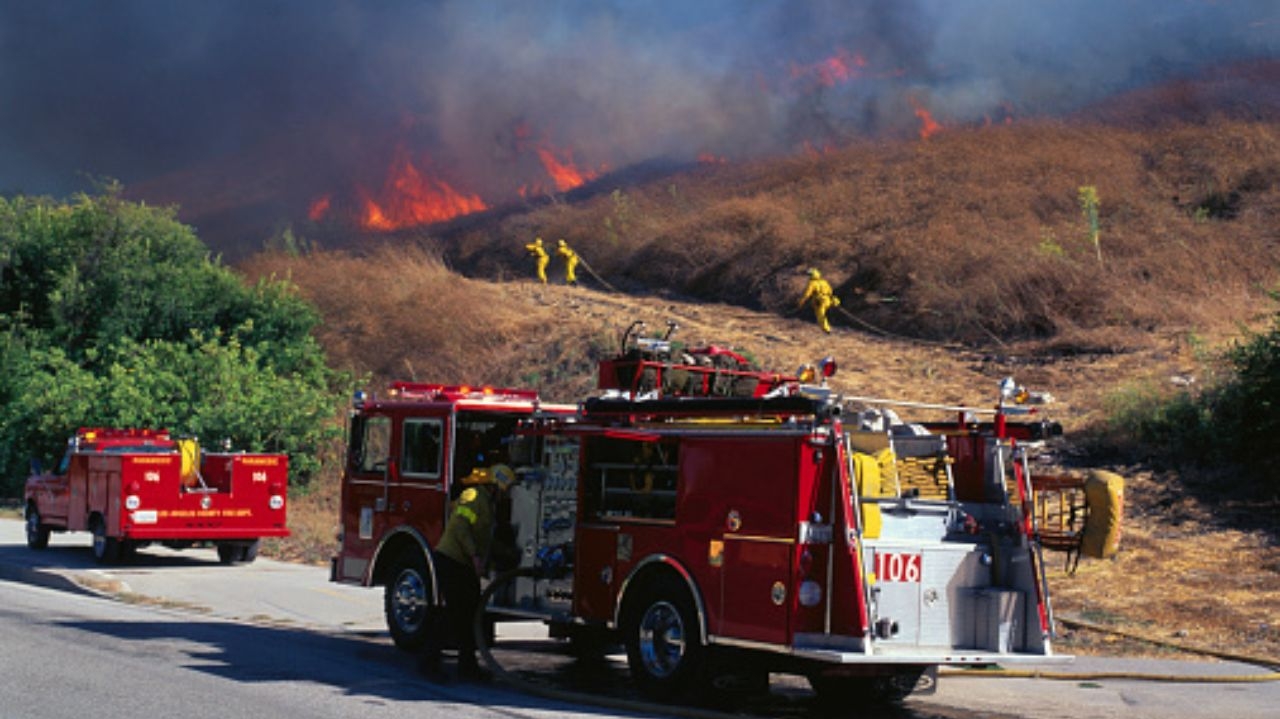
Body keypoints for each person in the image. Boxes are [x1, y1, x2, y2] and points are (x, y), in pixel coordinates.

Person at [420, 460, 516, 682]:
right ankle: (429, 663)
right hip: (452, 560)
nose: (507, 496)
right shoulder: (472, 496)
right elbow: (460, 528)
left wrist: (509, 554)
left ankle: (468, 666)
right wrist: (474, 555)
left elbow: (487, 540)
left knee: (471, 615)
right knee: (452, 613)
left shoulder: (488, 505)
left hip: (465, 565)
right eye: (507, 490)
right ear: (497, 485)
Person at [798, 268, 840, 333]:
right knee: (825, 314)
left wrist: (801, 302)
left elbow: (807, 294)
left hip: (820, 302)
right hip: (828, 300)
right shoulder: (824, 282)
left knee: (820, 315)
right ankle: (830, 325)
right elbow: (830, 291)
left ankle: (826, 329)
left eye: (809, 275)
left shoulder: (812, 283)